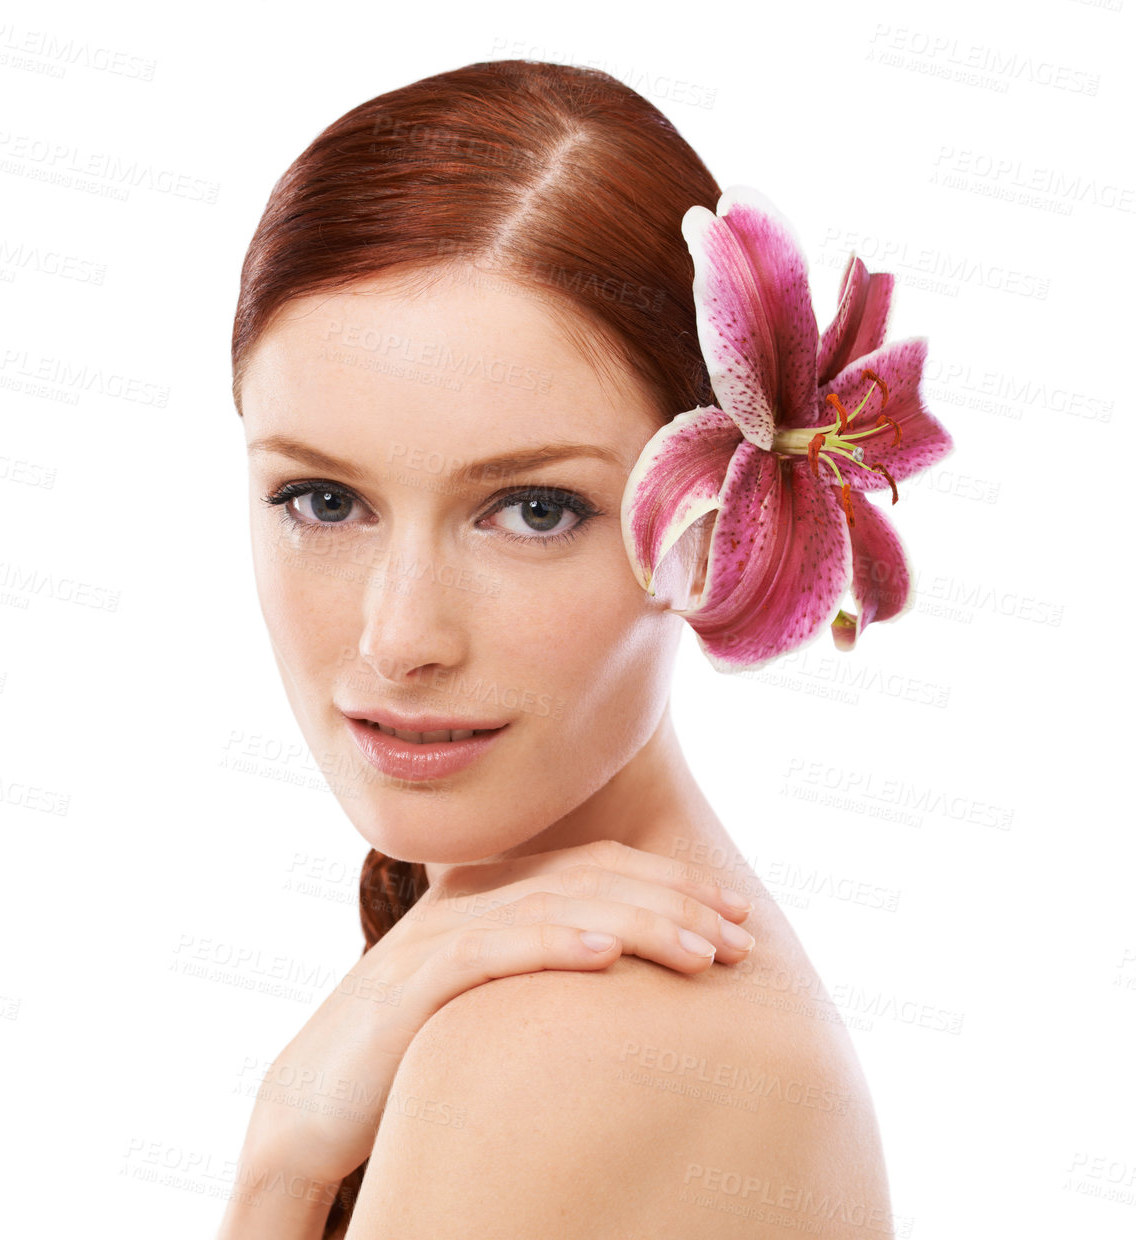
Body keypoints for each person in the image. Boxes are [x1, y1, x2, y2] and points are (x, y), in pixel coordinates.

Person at [218, 59, 913, 1240]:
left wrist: (277, 1170)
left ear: (717, 527)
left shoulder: (561, 1047)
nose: (399, 639)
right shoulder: (612, 985)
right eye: (324, 500)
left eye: (535, 509)